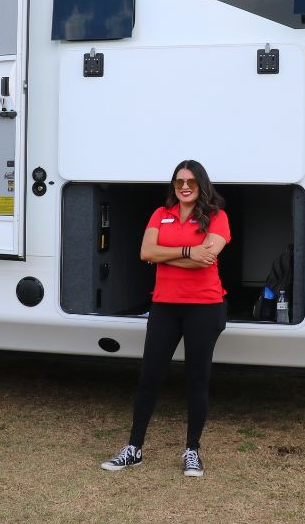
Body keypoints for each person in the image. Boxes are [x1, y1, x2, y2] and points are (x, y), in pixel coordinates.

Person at [101, 159, 230, 477]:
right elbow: (146, 252)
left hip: (205, 306)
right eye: (178, 182)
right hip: (165, 306)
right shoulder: (161, 214)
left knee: (197, 380)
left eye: (190, 182)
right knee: (149, 378)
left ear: (201, 184)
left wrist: (168, 255)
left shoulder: (217, 216)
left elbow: (207, 258)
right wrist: (188, 252)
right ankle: (134, 449)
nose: (184, 187)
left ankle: (192, 451)